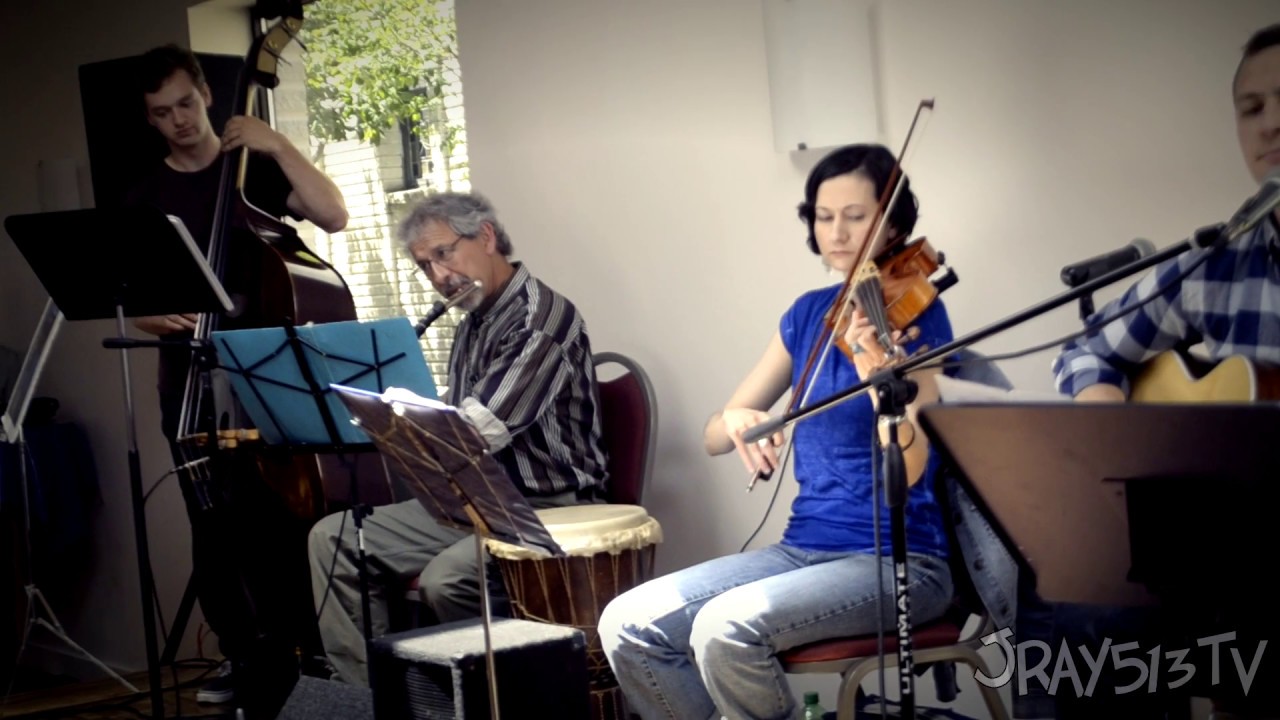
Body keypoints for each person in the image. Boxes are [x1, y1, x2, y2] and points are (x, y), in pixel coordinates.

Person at [598, 144, 956, 720]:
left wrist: (876, 377)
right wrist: (738, 419)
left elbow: (912, 468)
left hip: (900, 560)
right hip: (803, 547)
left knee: (724, 627)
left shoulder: (916, 315)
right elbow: (716, 434)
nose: (836, 231)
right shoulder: (809, 315)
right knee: (627, 623)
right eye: (823, 215)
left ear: (892, 223)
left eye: (856, 215)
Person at [1048, 22, 1280, 719]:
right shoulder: (1221, 257)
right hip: (1230, 557)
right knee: (1084, 625)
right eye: (1251, 108)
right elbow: (1086, 349)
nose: (1270, 124)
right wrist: (1110, 430)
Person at [307, 190, 610, 687]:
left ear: (486, 236)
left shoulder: (541, 319)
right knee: (332, 539)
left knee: (448, 579)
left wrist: (394, 421)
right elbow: (451, 423)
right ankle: (372, 701)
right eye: (425, 266)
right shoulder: (474, 322)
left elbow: (474, 433)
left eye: (444, 254)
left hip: (547, 506)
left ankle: (493, 697)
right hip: (474, 500)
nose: (439, 277)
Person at [122, 43, 349, 706]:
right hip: (191, 384)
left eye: (186, 104)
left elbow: (333, 214)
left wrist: (277, 144)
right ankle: (242, 654)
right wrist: (152, 316)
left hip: (269, 379)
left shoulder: (251, 173)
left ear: (205, 93)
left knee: (282, 519)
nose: (179, 121)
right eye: (162, 114)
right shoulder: (145, 197)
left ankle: (301, 653)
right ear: (151, 120)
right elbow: (133, 303)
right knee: (212, 524)